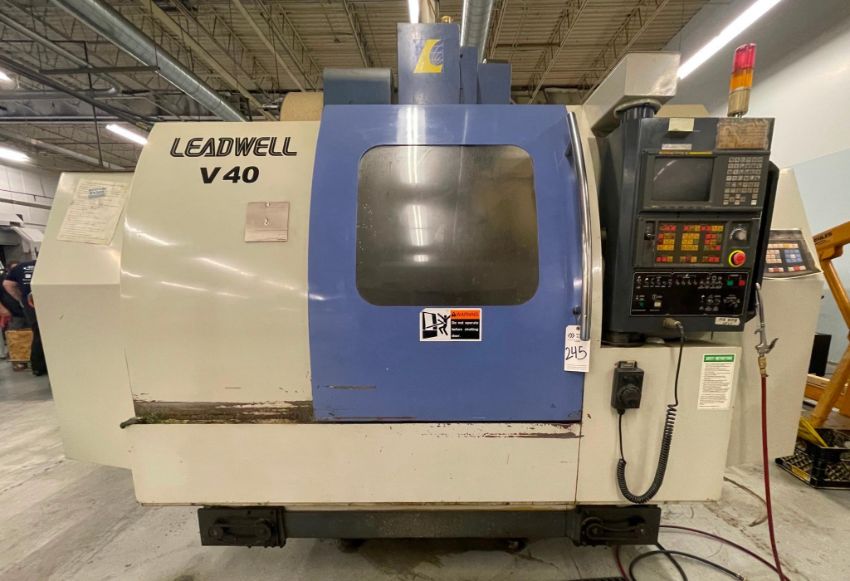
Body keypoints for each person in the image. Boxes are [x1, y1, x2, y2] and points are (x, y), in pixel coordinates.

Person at [3, 260, 46, 376]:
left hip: (29, 304)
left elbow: (7, 284)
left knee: (38, 333)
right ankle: (39, 366)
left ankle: (38, 367)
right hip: (41, 303)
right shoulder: (48, 264)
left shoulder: (21, 267)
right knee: (41, 334)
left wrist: (20, 298)